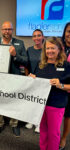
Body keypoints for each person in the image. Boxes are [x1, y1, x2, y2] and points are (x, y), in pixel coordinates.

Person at [0, 21, 28, 137]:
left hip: (14, 78)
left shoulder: (19, 43)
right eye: (4, 29)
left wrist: (15, 55)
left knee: (14, 102)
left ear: (12, 30)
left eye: (9, 29)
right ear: (1, 30)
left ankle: (14, 124)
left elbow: (25, 61)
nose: (6, 31)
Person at [30, 37, 70, 150]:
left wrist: (60, 85)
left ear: (59, 49)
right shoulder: (40, 64)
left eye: (53, 48)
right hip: (41, 103)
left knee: (53, 133)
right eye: (47, 48)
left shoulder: (66, 66)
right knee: (43, 131)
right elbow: (36, 81)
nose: (50, 51)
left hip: (56, 104)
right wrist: (31, 79)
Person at [25, 29, 44, 133]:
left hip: (42, 80)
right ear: (32, 38)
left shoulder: (46, 50)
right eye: (35, 36)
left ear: (43, 37)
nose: (36, 38)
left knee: (40, 102)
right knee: (32, 100)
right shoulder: (29, 50)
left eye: (39, 35)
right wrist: (27, 76)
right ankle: (31, 120)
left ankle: (39, 123)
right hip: (31, 79)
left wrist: (38, 76)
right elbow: (26, 65)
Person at [59, 22, 70, 150]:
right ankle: (55, 135)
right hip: (57, 85)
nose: (69, 34)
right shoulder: (59, 46)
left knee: (68, 115)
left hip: (68, 87)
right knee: (56, 113)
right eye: (68, 31)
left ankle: (64, 138)